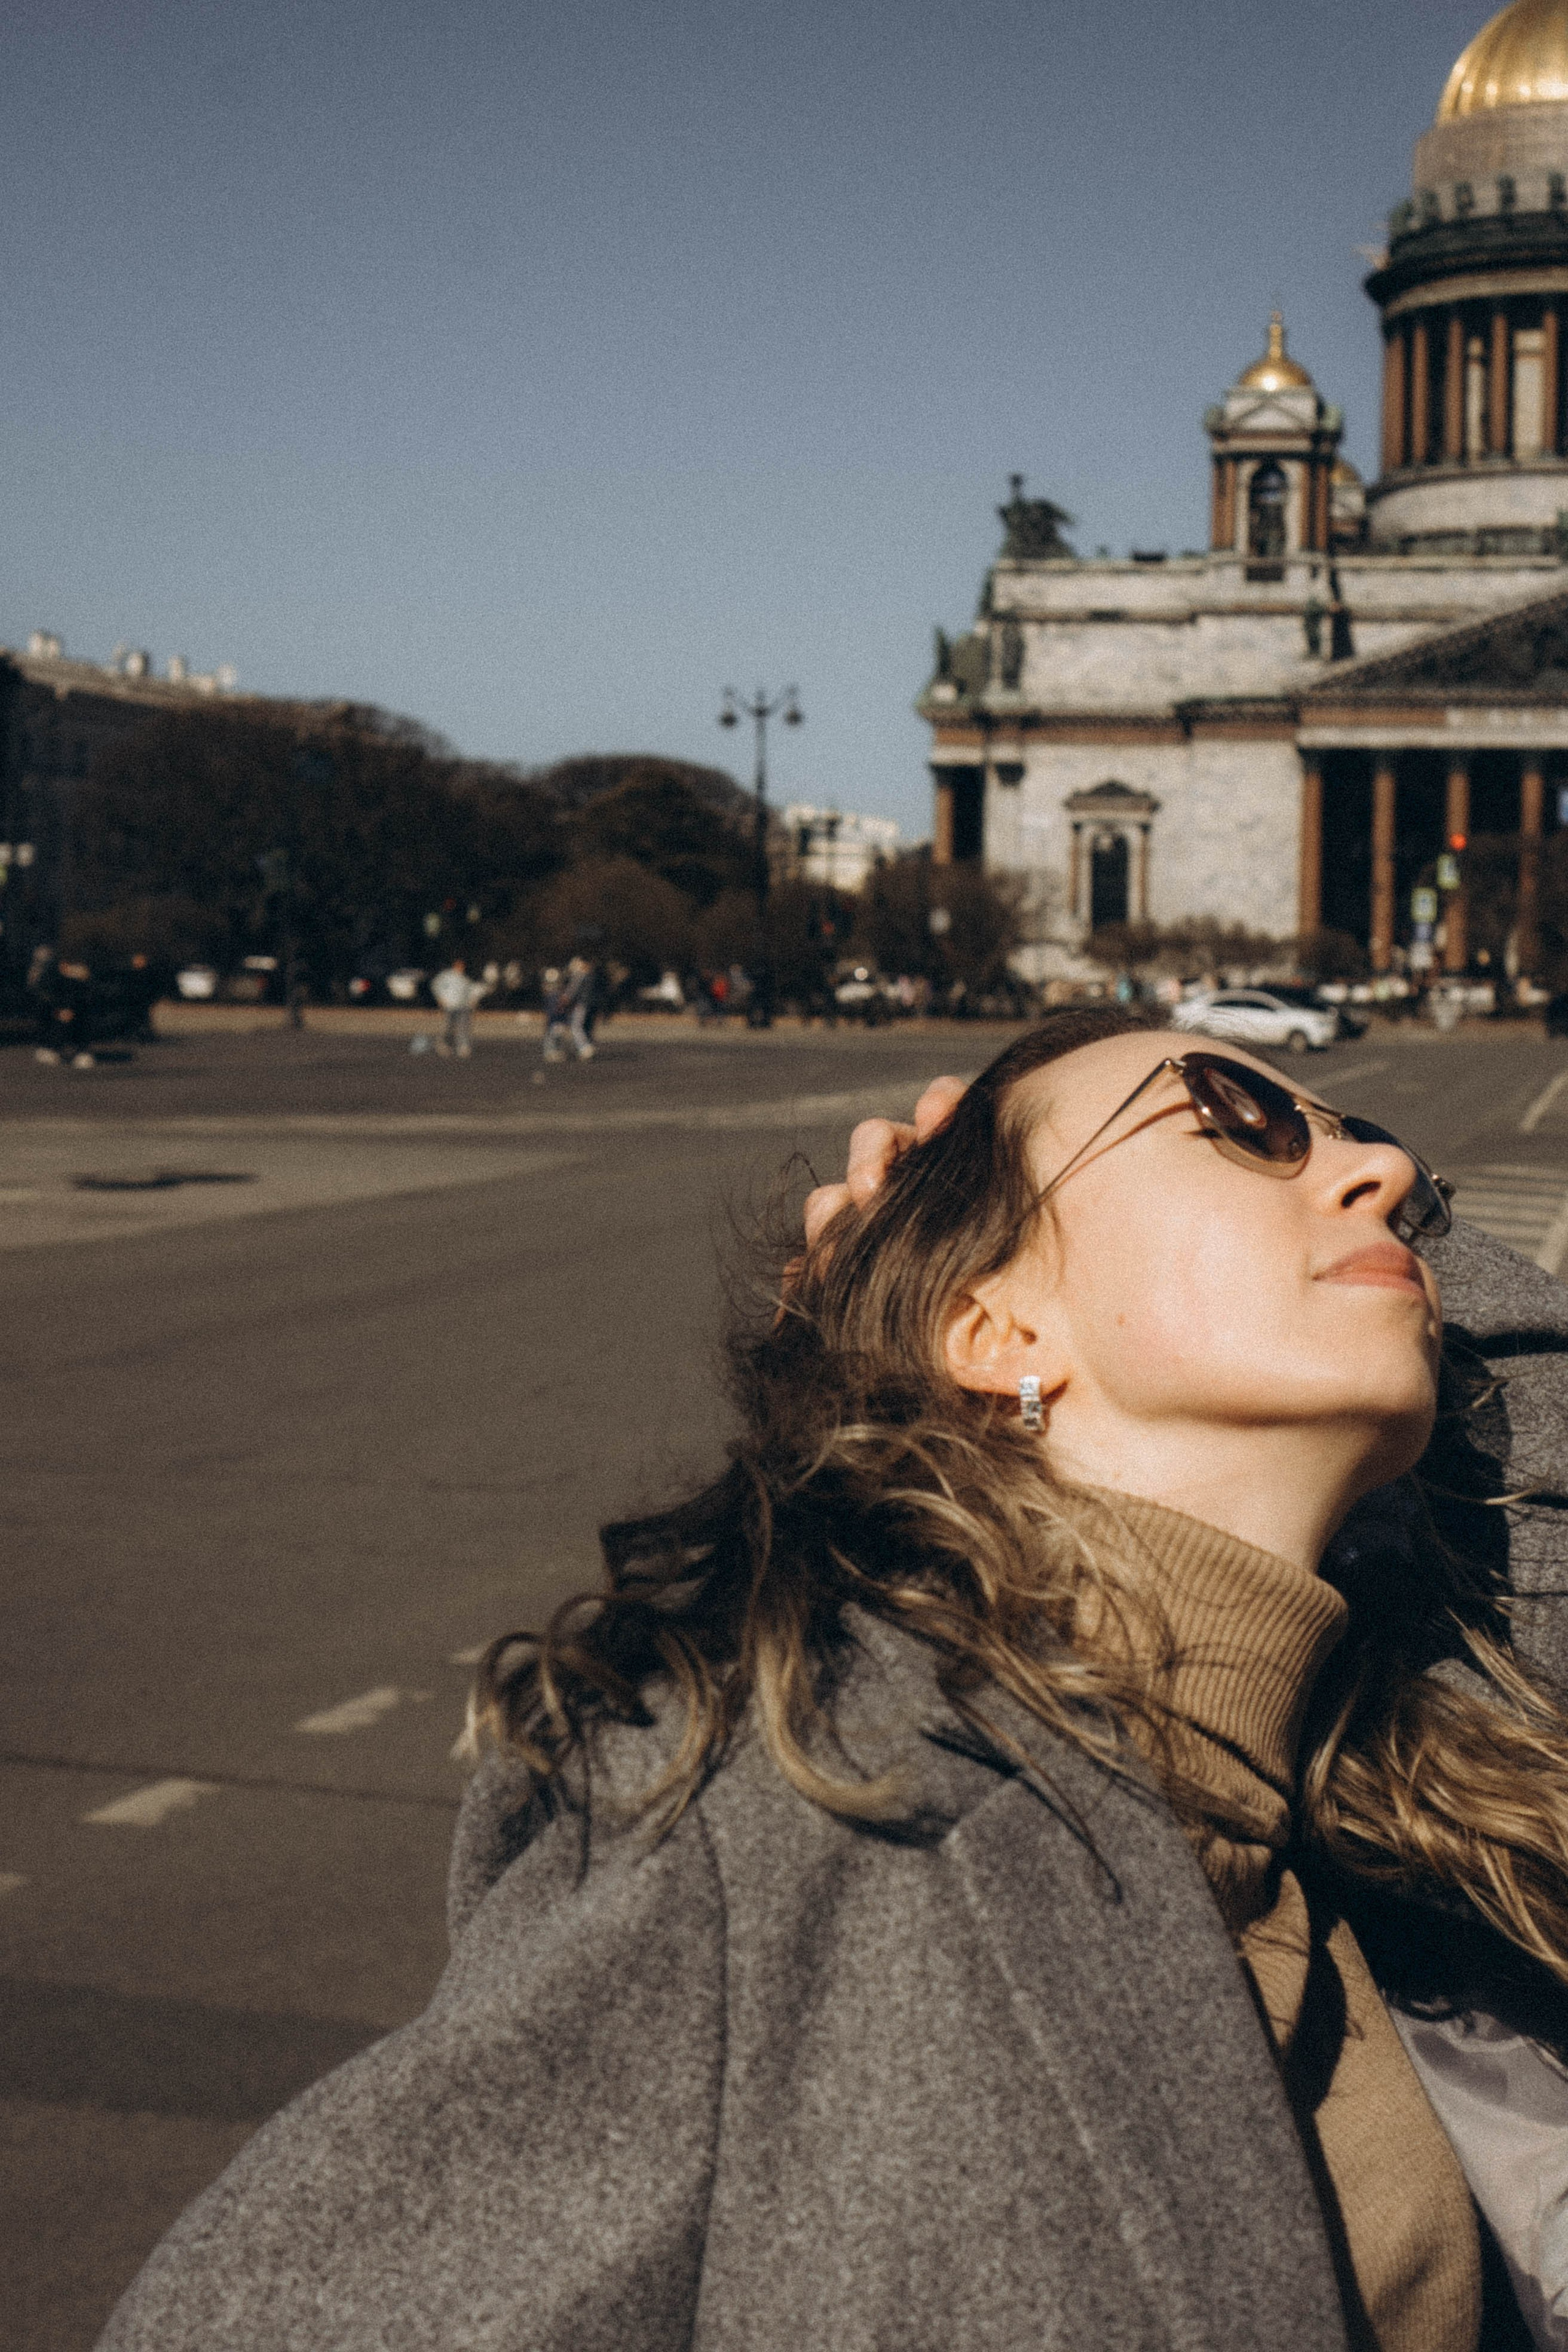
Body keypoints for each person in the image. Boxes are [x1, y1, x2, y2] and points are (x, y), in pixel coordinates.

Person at [99, 1008, 1568, 2351]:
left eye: (1377, 1152)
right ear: (997, 1330)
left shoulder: (1387, 1757)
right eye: (1237, 1117)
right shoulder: (805, 1819)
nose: (1375, 1168)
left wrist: (1406, 1228)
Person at [428, 957, 488, 1057]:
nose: (461, 968)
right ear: (455, 966)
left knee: (463, 1027)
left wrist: (472, 1001)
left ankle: (463, 1046)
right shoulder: (446, 976)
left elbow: (471, 992)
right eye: (459, 966)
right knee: (448, 1026)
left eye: (462, 967)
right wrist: (440, 998)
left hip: (463, 1007)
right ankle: (442, 1044)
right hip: (450, 1006)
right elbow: (436, 985)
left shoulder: (465, 979)